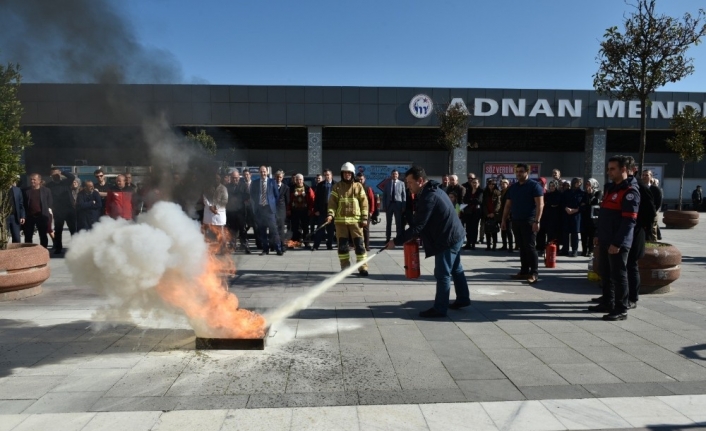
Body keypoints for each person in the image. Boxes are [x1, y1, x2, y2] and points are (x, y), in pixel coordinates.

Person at [384, 166, 470, 318]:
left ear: (420, 181)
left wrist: (395, 241)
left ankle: (440, 308)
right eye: (407, 182)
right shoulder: (431, 190)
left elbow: (418, 225)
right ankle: (463, 299)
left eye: (410, 182)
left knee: (442, 273)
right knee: (456, 269)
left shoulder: (429, 196)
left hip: (447, 238)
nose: (407, 185)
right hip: (455, 234)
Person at [588, 155, 640, 321]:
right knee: (605, 272)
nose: (608, 172)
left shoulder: (630, 191)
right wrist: (598, 234)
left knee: (619, 275)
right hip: (605, 238)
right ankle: (608, 302)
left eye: (612, 169)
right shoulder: (611, 188)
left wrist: (617, 242)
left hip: (617, 242)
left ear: (623, 170)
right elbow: (603, 214)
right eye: (608, 168)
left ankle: (621, 308)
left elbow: (629, 220)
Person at [500, 164, 544, 284]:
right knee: (521, 247)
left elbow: (540, 204)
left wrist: (537, 221)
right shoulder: (513, 188)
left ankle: (534, 273)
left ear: (527, 172)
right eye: (517, 171)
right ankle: (524, 271)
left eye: (521, 171)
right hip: (516, 220)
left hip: (529, 221)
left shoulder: (534, 186)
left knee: (530, 247)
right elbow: (508, 205)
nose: (518, 174)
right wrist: (503, 220)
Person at [325, 163, 369, 276]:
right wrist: (330, 214)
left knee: (359, 245)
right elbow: (332, 203)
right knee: (343, 247)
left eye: (349, 173)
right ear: (342, 174)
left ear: (352, 174)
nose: (347, 175)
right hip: (341, 222)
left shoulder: (358, 186)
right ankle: (345, 267)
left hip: (356, 222)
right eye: (345, 173)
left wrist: (364, 218)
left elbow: (364, 203)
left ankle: (362, 267)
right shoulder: (337, 187)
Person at [250, 165, 283, 255]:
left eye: (264, 171)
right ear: (259, 172)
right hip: (260, 209)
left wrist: (272, 204)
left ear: (267, 172)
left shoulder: (272, 182)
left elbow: (277, 195)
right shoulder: (255, 182)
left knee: (274, 230)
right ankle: (265, 249)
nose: (263, 173)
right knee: (262, 231)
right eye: (261, 171)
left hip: (270, 210)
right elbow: (252, 195)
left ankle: (278, 248)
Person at [46, 167, 77, 254]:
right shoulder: (49, 186)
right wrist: (51, 206)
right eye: (54, 174)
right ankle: (58, 247)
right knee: (58, 230)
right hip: (58, 210)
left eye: (57, 174)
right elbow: (48, 198)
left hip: (69, 209)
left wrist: (62, 172)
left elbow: (72, 177)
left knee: (73, 229)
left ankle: (75, 247)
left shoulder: (65, 182)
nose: (56, 176)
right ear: (51, 175)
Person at [22, 173, 53, 249]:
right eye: (31, 179)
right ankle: (28, 250)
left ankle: (43, 250)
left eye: (34, 180)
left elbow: (50, 203)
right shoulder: (25, 191)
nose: (32, 181)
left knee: (43, 235)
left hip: (42, 216)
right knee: (28, 235)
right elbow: (23, 204)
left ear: (39, 181)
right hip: (29, 216)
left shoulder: (46, 191)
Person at [225, 169, 251, 254]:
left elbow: (247, 195)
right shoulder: (227, 186)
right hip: (231, 212)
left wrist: (238, 199)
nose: (234, 179)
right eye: (233, 178)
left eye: (236, 177)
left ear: (239, 178)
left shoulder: (243, 185)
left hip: (240, 211)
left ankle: (245, 245)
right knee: (232, 230)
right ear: (230, 178)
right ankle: (233, 246)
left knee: (242, 230)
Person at [202, 173, 229, 254]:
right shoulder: (207, 187)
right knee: (207, 231)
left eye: (218, 178)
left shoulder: (223, 188)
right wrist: (210, 206)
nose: (216, 180)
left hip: (219, 213)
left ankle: (223, 248)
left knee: (221, 231)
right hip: (208, 212)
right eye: (215, 178)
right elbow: (204, 197)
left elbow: (225, 200)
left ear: (220, 179)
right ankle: (208, 248)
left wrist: (216, 207)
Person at [289, 173, 315, 249]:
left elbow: (312, 200)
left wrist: (310, 210)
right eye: (297, 179)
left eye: (300, 179)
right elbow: (288, 201)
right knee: (295, 228)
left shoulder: (308, 188)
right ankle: (295, 243)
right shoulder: (291, 188)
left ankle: (306, 243)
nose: (299, 181)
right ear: (295, 180)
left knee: (305, 228)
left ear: (303, 180)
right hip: (294, 211)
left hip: (305, 211)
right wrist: (288, 210)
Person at [560, 178, 584, 258]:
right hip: (566, 213)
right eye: (576, 182)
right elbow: (562, 202)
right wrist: (566, 208)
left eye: (579, 183)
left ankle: (574, 250)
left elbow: (583, 205)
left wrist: (576, 210)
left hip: (576, 215)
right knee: (565, 232)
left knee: (574, 233)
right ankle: (565, 249)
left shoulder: (582, 193)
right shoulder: (567, 192)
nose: (577, 184)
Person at [538, 180, 561, 256]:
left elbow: (556, 204)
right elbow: (544, 204)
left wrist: (550, 204)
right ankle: (541, 249)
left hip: (554, 218)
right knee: (542, 233)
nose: (551, 187)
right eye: (550, 186)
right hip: (545, 216)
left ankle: (553, 249)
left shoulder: (558, 194)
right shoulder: (547, 195)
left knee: (552, 234)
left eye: (553, 186)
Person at [580, 178, 602, 257]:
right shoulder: (585, 194)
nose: (587, 186)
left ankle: (591, 250)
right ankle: (584, 250)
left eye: (589, 184)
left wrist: (591, 194)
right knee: (584, 235)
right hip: (585, 217)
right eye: (587, 184)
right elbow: (582, 204)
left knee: (592, 235)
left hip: (594, 218)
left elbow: (596, 202)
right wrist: (587, 203)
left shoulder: (598, 192)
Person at [383, 169, 406, 242]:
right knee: (388, 223)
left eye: (396, 174)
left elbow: (403, 195)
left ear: (398, 175)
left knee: (398, 223)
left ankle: (398, 237)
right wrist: (384, 206)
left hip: (398, 205)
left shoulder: (402, 183)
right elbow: (384, 196)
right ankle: (388, 238)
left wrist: (403, 206)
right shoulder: (387, 184)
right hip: (389, 205)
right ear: (391, 175)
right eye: (393, 174)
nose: (394, 175)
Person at [356, 172, 376, 251]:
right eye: (358, 179)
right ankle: (358, 245)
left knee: (365, 229)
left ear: (364, 179)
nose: (360, 181)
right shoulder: (355, 187)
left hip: (366, 212)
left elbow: (372, 200)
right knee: (357, 229)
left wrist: (371, 211)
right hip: (356, 212)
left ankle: (367, 245)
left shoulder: (368, 188)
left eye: (361, 179)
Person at [462, 177, 483, 250]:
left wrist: (470, 200)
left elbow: (479, 201)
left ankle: (473, 243)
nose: (474, 184)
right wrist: (471, 200)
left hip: (476, 212)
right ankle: (468, 243)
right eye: (473, 183)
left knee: (474, 228)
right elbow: (465, 200)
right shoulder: (468, 191)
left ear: (478, 183)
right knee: (468, 228)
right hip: (468, 212)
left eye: (475, 183)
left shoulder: (480, 191)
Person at [641, 170, 662, 241]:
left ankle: (653, 244)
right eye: (643, 175)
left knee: (652, 230)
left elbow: (658, 202)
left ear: (651, 177)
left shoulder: (655, 189)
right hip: (642, 213)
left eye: (646, 175)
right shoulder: (639, 188)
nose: (644, 177)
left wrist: (654, 211)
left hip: (652, 213)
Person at [482, 179, 501, 250]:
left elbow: (498, 204)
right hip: (487, 214)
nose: (491, 186)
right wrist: (487, 213)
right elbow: (483, 204)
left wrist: (494, 213)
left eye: (493, 184)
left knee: (494, 231)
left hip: (494, 214)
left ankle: (494, 245)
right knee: (487, 230)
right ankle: (488, 245)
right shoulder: (485, 192)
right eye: (490, 184)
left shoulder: (497, 192)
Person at [273, 170, 289, 252]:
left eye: (280, 177)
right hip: (273, 211)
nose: (278, 178)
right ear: (275, 177)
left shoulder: (285, 187)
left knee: (281, 229)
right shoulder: (271, 186)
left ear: (282, 178)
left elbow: (287, 201)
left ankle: (282, 245)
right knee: (273, 228)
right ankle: (273, 245)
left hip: (282, 211)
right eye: (277, 177)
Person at [498, 179, 514, 252]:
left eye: (504, 183)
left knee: (508, 231)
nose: (502, 185)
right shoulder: (501, 192)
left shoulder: (510, 192)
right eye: (501, 183)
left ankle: (510, 247)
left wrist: (509, 213)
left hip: (509, 214)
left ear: (508, 184)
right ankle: (504, 245)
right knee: (503, 230)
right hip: (502, 213)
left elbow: (511, 204)